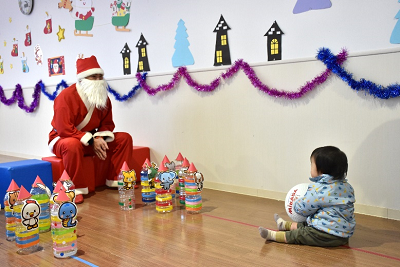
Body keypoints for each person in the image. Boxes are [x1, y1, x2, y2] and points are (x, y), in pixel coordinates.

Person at [48, 55, 135, 204]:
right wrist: (91, 140)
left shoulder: (104, 98)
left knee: (124, 138)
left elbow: (107, 124)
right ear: (82, 79)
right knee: (72, 144)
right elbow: (64, 129)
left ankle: (116, 179)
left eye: (100, 76)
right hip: (63, 140)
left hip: (90, 140)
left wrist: (99, 137)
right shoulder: (65, 97)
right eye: (93, 77)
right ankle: (74, 189)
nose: (98, 80)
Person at [259, 146, 356, 247]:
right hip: (344, 235)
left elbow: (303, 209)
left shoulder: (318, 189)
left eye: (312, 165)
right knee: (309, 222)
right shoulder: (348, 187)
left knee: (302, 234)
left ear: (321, 170)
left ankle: (273, 235)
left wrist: (296, 202)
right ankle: (284, 225)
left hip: (326, 234)